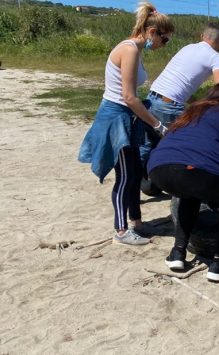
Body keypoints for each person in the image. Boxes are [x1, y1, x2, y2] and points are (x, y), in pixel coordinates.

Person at [78, 2, 173, 245]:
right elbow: (129, 97)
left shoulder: (135, 50)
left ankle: (137, 223)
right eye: (165, 40)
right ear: (152, 32)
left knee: (132, 173)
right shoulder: (129, 50)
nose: (164, 45)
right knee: (125, 176)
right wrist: (157, 125)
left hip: (126, 116)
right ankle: (121, 231)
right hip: (115, 117)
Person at [147, 83, 219, 282]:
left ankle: (177, 253)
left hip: (158, 167)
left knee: (189, 195)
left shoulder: (192, 112)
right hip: (198, 168)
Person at [139, 22, 219, 170]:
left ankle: (132, 182)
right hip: (169, 107)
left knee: (146, 146)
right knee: (185, 148)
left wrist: (198, 102)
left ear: (201, 36)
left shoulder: (187, 48)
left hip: (151, 99)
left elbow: (179, 85)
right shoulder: (215, 57)